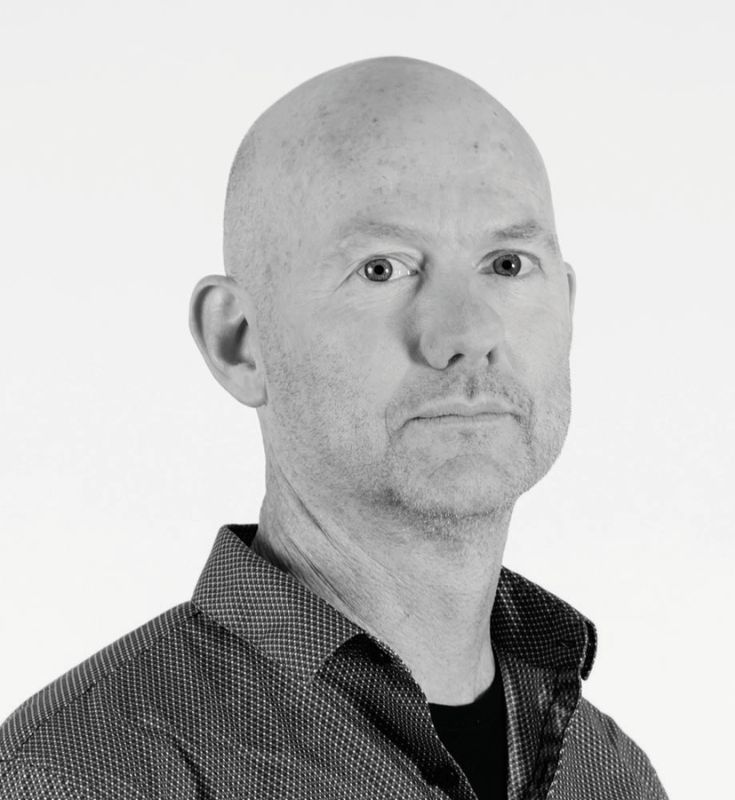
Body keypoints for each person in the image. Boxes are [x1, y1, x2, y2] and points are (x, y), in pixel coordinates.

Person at [0, 56, 668, 799]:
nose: (467, 332)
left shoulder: (610, 775)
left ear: (567, 306)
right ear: (239, 341)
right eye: (382, 269)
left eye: (507, 264)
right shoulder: (83, 774)